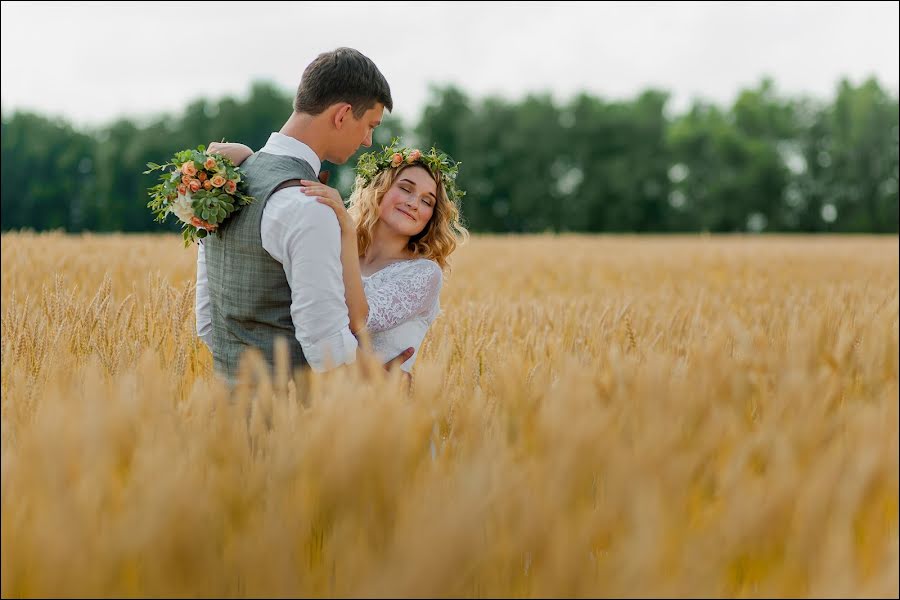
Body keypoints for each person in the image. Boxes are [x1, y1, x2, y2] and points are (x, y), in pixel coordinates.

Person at [195, 47, 412, 383]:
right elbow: (327, 348)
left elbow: (207, 323)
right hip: (291, 422)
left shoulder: (222, 181)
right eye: (369, 125)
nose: (368, 140)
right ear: (341, 116)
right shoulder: (310, 206)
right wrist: (380, 382)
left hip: (224, 418)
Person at [210, 139, 468, 374]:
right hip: (318, 400)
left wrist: (346, 229)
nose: (414, 203)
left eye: (427, 201)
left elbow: (359, 321)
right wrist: (249, 157)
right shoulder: (333, 246)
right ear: (380, 188)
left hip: (383, 411)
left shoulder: (423, 273)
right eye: (406, 188)